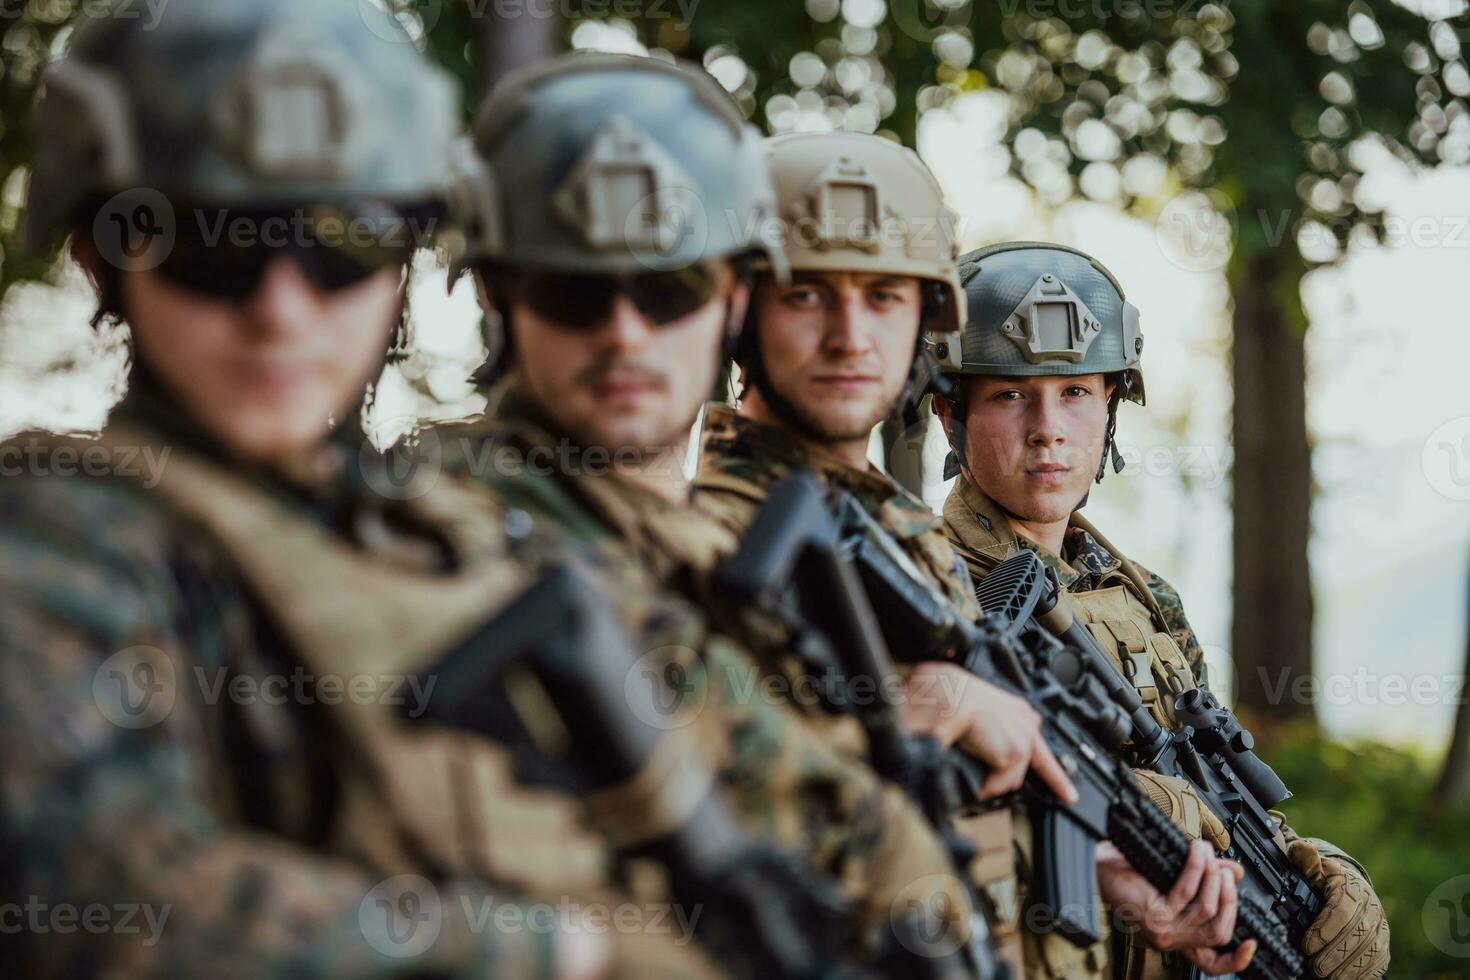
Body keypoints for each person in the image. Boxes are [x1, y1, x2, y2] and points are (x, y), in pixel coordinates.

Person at [1, 3, 732, 976]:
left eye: (342, 242)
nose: (282, 309)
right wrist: (557, 948)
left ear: (404, 263)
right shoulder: (55, 538)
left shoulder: (428, 520)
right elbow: (102, 898)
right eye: (214, 247)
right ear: (102, 259)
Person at [437, 51, 983, 963]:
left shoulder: (682, 543)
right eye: (576, 289)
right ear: (501, 291)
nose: (624, 331)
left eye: (668, 287)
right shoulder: (444, 537)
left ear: (729, 297)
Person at [932, 241, 1390, 980]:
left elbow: (1223, 788)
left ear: (1111, 406)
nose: (1048, 427)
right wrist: (1137, 814)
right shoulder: (926, 585)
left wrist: (1308, 869)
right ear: (950, 413)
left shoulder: (1144, 597)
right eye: (1012, 394)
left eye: (1076, 392)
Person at [688, 131, 1088, 975]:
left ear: (924, 321)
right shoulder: (701, 540)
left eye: (882, 296)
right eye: (806, 297)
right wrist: (917, 704)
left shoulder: (903, 535)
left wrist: (1112, 880)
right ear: (740, 312)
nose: (849, 336)